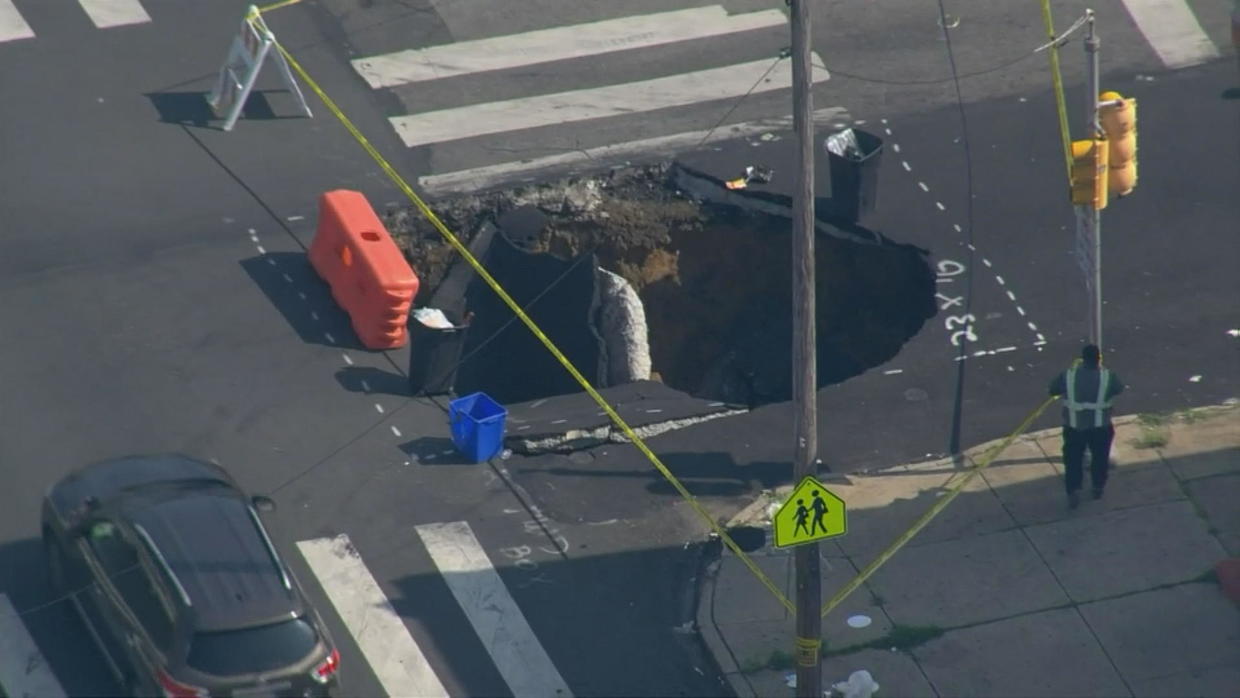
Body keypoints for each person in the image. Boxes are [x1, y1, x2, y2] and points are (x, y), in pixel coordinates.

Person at [1048, 344, 1125, 509]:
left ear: (1082, 359)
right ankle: (1098, 487)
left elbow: (1053, 390)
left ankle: (1073, 490)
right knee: (1100, 458)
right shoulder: (1107, 376)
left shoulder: (1068, 375)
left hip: (1074, 427)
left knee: (1073, 459)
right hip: (1100, 427)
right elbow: (1119, 389)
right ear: (1099, 359)